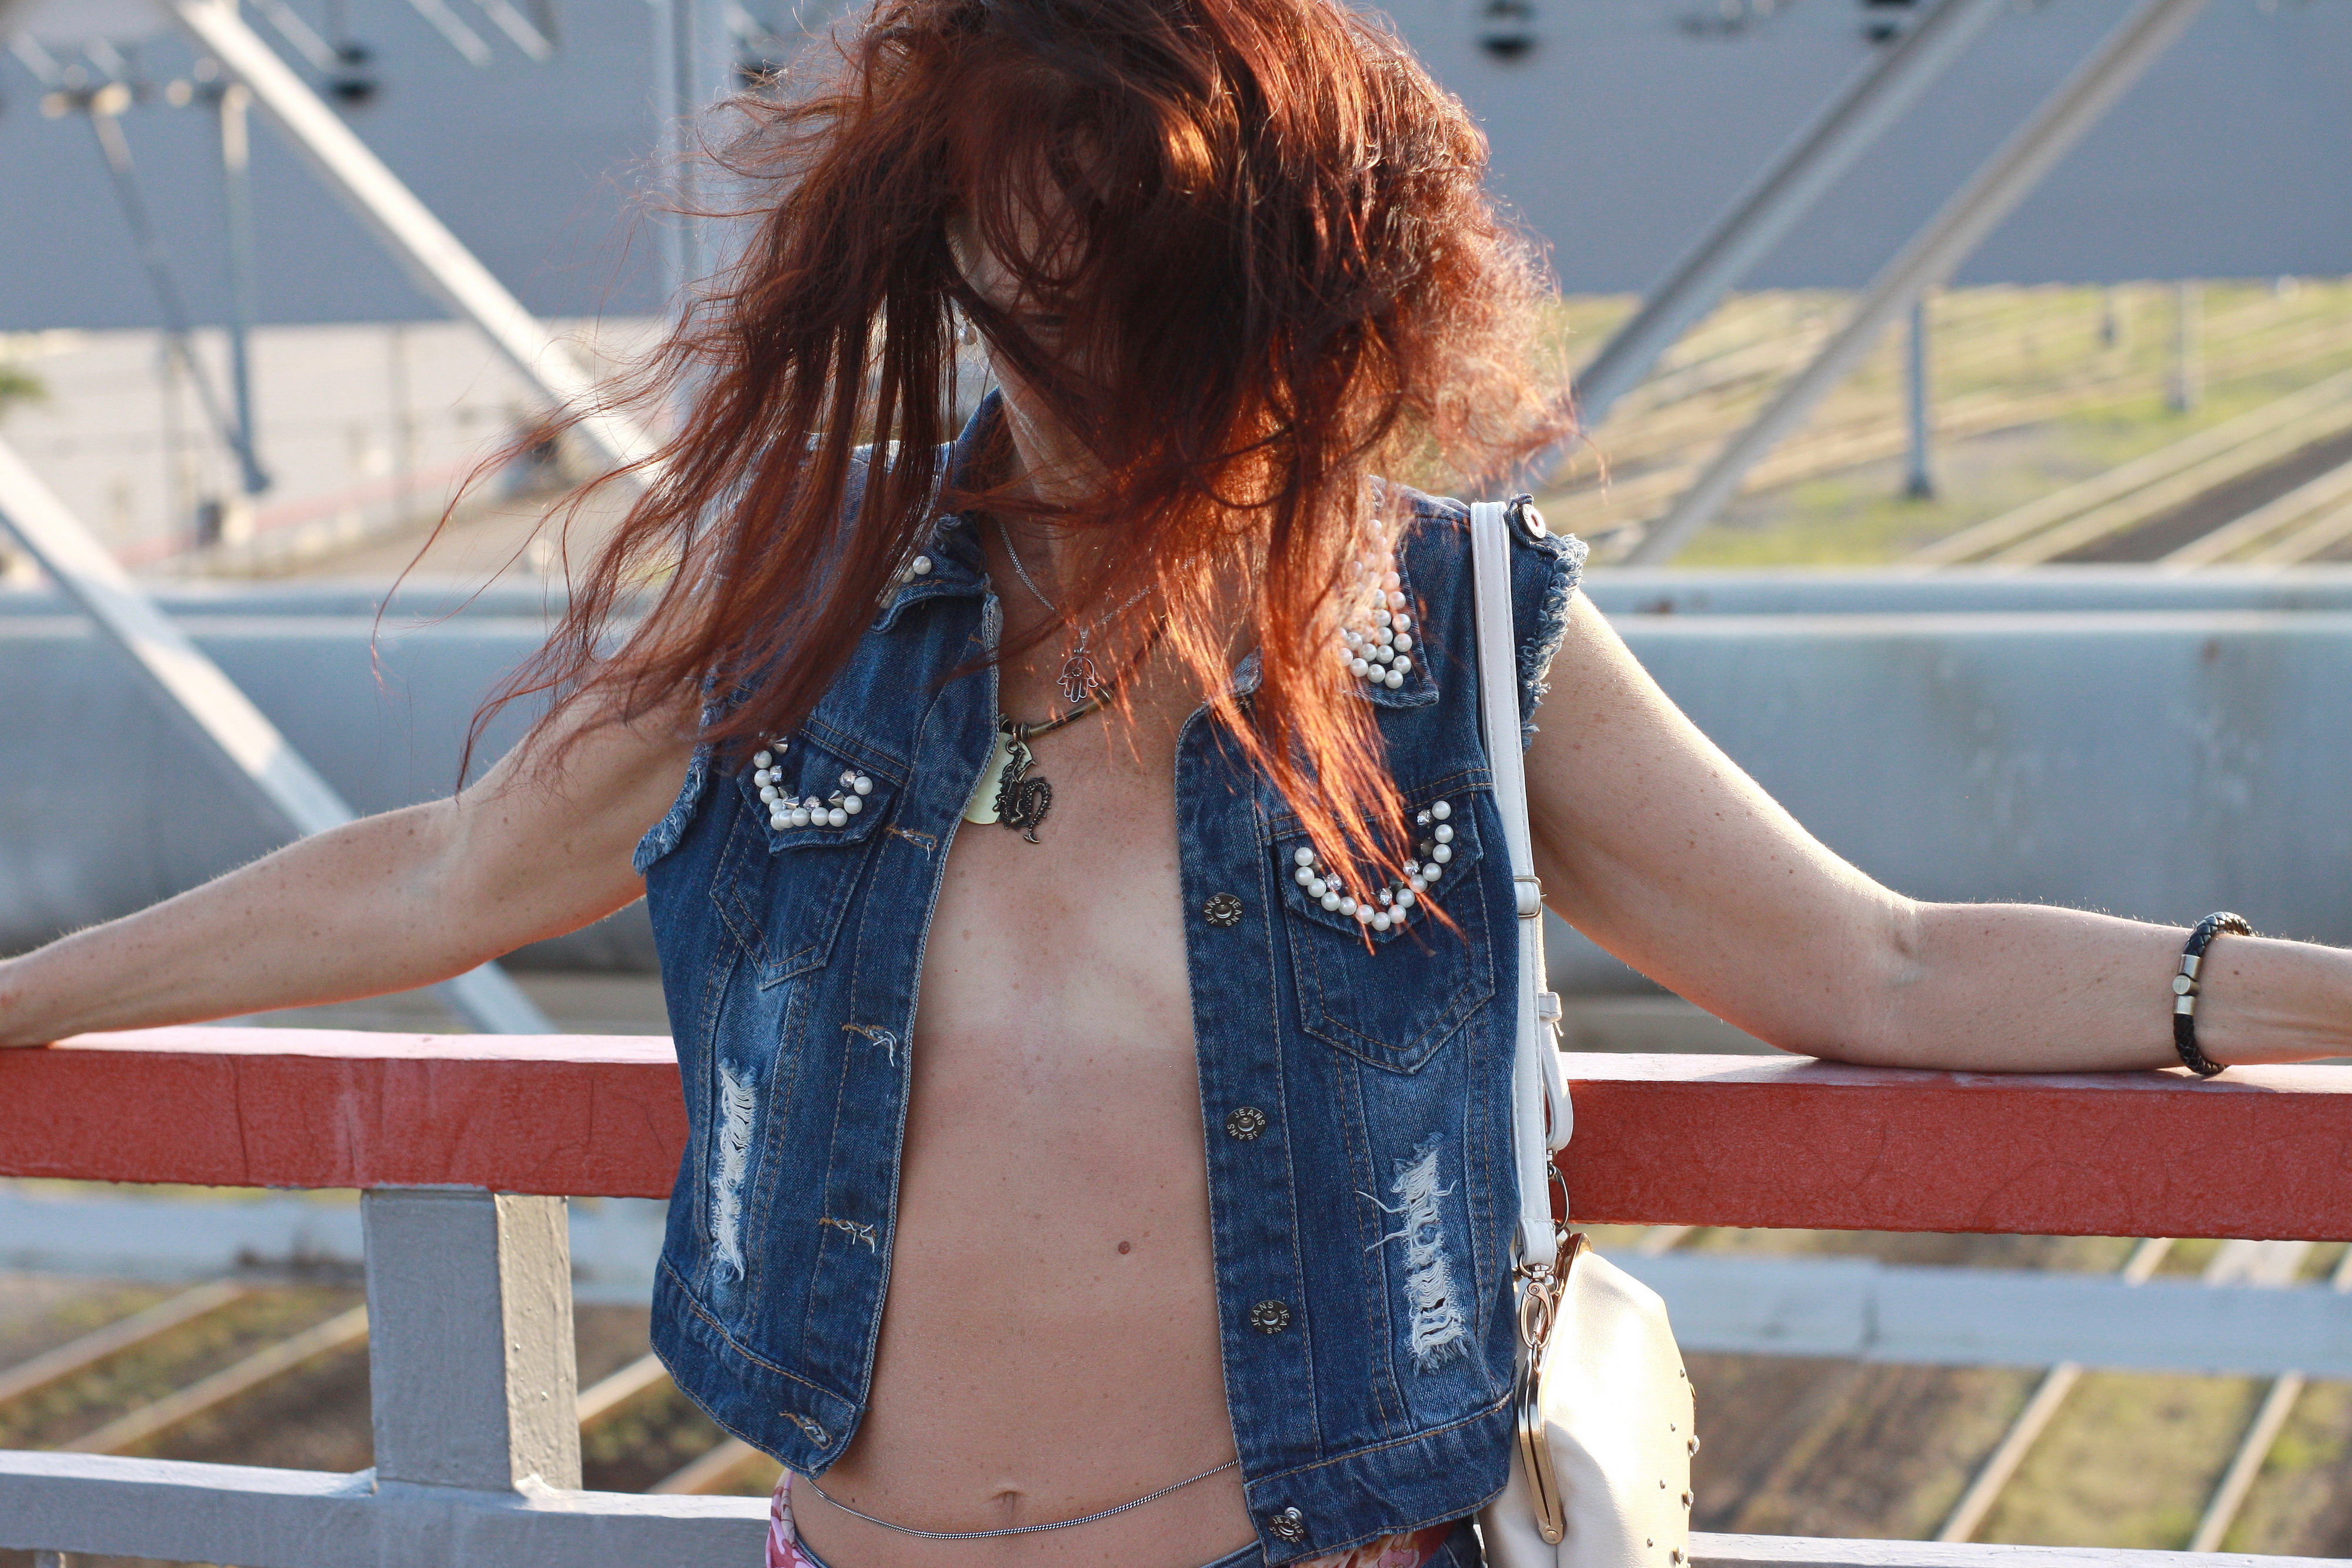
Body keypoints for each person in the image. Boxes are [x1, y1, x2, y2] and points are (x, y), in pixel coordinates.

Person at [5, 1, 2350, 1566]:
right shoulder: (804, 609)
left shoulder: (1455, 633)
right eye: (1018, 300)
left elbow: (1881, 963)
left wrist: (2286, 998)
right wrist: (31, 998)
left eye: (1130, 306)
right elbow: (444, 869)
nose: (1068, 385)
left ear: (1283, 303)